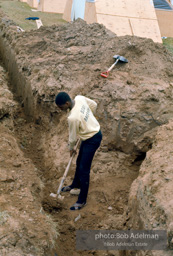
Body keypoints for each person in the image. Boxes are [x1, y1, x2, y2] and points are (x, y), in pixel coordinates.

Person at [55, 92, 102, 210]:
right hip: (88, 136)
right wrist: (88, 120)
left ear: (66, 103)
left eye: (61, 107)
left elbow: (72, 138)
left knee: (84, 170)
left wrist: (71, 148)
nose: (61, 110)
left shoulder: (72, 118)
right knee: (79, 160)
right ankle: (75, 185)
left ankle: (82, 200)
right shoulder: (79, 98)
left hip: (93, 139)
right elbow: (94, 105)